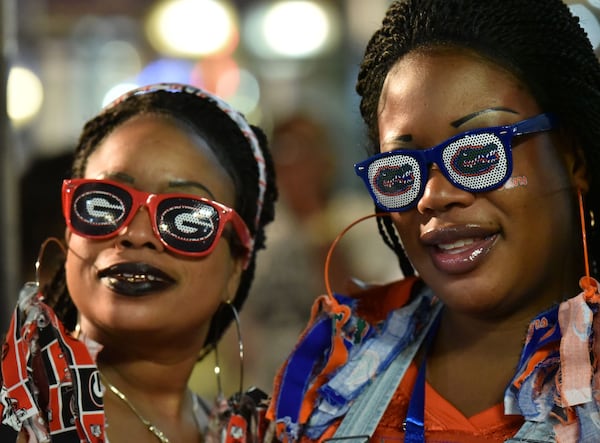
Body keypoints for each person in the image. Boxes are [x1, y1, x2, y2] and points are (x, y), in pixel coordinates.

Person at [267, 0, 600, 442]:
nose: (433, 197)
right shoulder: (333, 370)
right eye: (401, 171)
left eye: (478, 154)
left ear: (572, 155)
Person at [0, 82, 277, 443]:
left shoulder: (255, 436)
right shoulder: (18, 417)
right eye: (105, 203)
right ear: (70, 234)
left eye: (186, 219)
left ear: (236, 267)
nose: (136, 234)